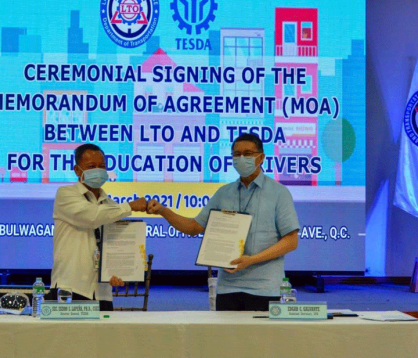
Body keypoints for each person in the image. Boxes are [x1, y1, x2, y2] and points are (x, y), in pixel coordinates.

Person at [148, 133, 300, 311]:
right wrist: (163, 211)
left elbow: (291, 241)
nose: (241, 158)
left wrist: (251, 260)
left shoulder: (279, 193)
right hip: (228, 288)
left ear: (261, 157)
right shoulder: (224, 193)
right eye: (236, 154)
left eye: (248, 153)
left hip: (265, 288)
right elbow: (194, 227)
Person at [50, 143, 148, 311]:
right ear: (77, 170)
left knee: (105, 338)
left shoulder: (110, 205)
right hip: (70, 289)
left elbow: (115, 245)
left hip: (102, 293)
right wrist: (130, 206)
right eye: (92, 167)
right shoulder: (65, 194)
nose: (98, 171)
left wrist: (118, 272)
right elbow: (92, 216)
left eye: (102, 166)